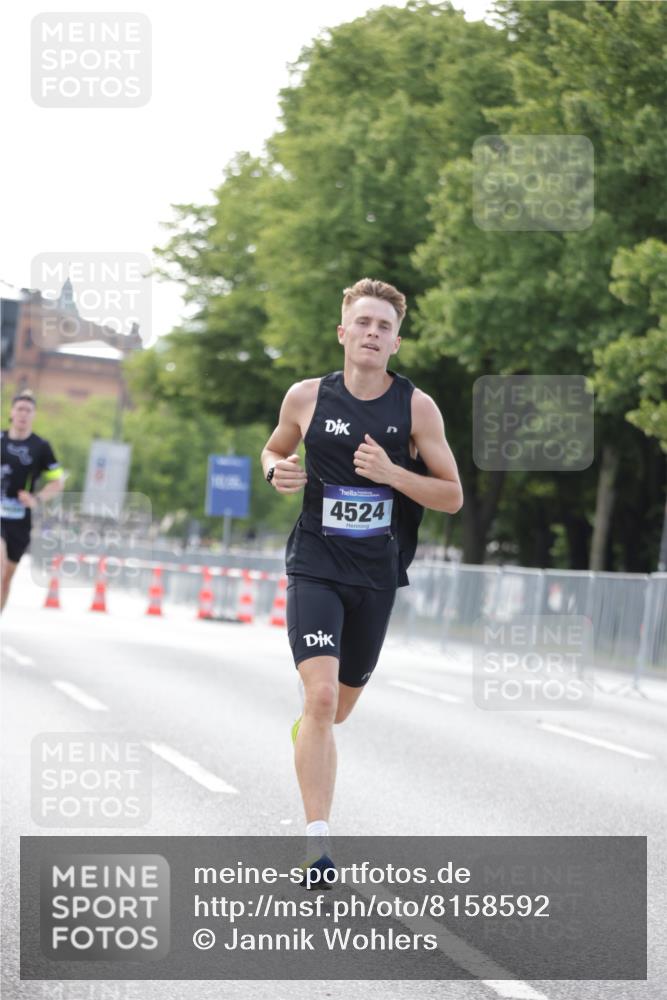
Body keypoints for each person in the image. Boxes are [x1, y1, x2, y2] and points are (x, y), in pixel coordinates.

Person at [261, 278, 463, 885]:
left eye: (385, 327)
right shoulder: (306, 398)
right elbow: (272, 451)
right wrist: (278, 472)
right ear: (343, 333)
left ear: (396, 342)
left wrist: (394, 473)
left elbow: (452, 496)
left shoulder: (416, 408)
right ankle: (318, 848)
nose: (373, 334)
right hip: (315, 564)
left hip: (376, 575)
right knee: (319, 697)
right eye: (364, 323)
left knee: (337, 710)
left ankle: (312, 732)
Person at [1, 390, 64, 611]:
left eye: (28, 410)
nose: (23, 414)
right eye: (19, 409)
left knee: (5, 580)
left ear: (34, 415)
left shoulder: (40, 447)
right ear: (11, 412)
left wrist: (36, 498)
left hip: (19, 519)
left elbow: (57, 482)